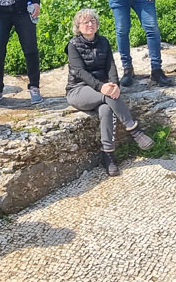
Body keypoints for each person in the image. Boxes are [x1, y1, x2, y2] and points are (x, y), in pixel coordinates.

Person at [65, 9, 155, 177]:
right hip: (78, 90)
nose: (90, 24)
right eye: (86, 22)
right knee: (108, 96)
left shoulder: (103, 42)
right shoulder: (72, 45)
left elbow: (110, 66)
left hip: (101, 89)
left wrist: (114, 83)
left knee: (106, 109)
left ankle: (108, 155)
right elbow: (80, 72)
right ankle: (134, 129)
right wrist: (102, 88)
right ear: (78, 26)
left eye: (93, 21)